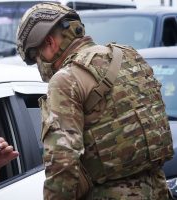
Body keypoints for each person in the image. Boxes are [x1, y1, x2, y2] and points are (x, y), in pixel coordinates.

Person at [16, 2, 174, 199]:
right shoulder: (129, 55)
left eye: (35, 55)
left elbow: (62, 164)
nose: (38, 63)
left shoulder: (66, 79)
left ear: (50, 43)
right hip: (158, 189)